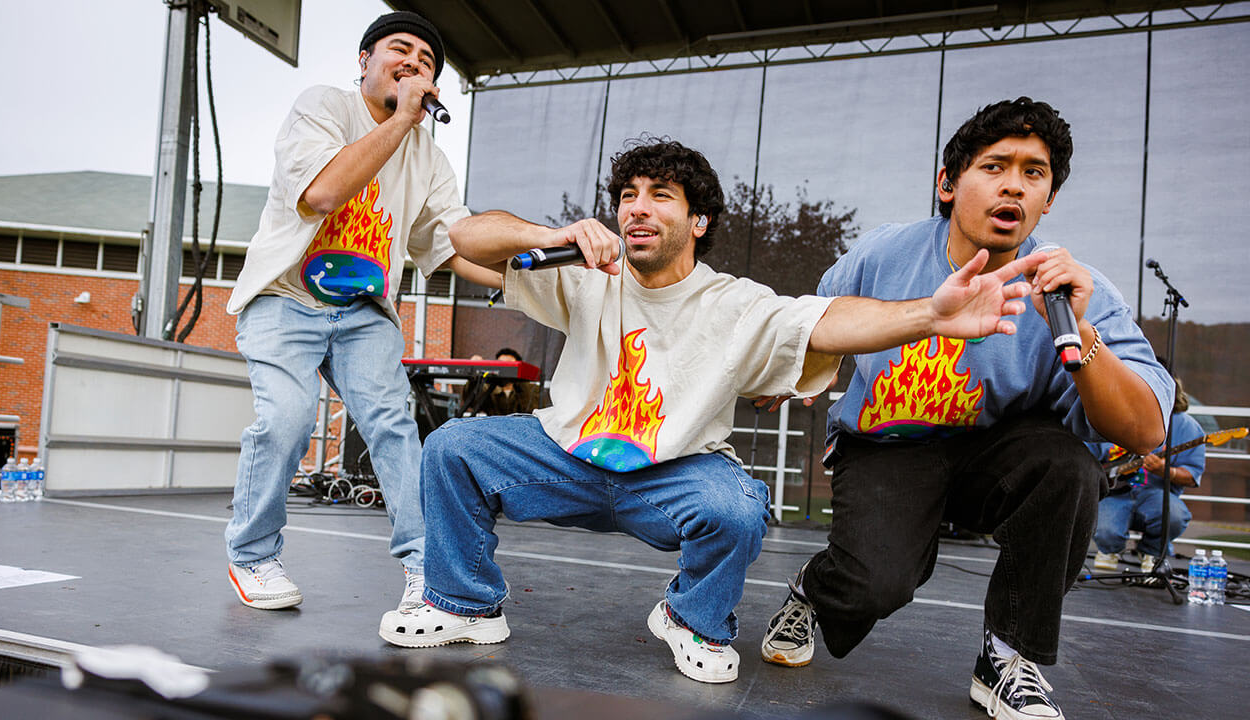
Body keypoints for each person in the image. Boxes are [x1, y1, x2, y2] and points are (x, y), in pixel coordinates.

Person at [377, 138, 1049, 684]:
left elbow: (830, 321)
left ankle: (691, 618)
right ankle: (466, 604)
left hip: (671, 476)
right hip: (566, 460)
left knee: (738, 505)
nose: (637, 209)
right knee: (453, 448)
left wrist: (930, 313)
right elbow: (466, 238)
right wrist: (551, 231)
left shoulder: (734, 302)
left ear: (697, 222)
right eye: (627, 196)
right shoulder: (582, 276)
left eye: (660, 196)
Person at [758, 97, 1173, 718]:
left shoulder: (1076, 290)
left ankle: (1008, 657)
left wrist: (1080, 334)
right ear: (948, 185)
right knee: (877, 584)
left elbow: (1143, 429)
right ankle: (813, 593)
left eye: (1034, 173)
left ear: (1048, 199)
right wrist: (790, 376)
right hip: (890, 445)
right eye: (995, 166)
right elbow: (812, 324)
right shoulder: (886, 254)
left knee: (1069, 467)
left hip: (997, 451)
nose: (1014, 185)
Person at [223, 11, 500, 612]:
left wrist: (530, 277)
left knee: (395, 428)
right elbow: (321, 193)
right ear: (365, 61)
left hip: (362, 310)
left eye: (426, 63)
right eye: (400, 51)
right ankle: (252, 556)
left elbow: (454, 245)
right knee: (288, 420)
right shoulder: (323, 107)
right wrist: (402, 118)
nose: (414, 65)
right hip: (285, 296)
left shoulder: (428, 157)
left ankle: (427, 565)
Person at [1091, 378, 1205, 573]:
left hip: (1155, 494)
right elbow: (1088, 455)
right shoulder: (1110, 416)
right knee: (1105, 531)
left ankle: (1151, 550)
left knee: (1175, 515)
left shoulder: (1187, 427)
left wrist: (1165, 470)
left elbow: (1192, 475)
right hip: (1114, 495)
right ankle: (1110, 548)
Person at [463, 347, 542, 416]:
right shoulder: (489, 389)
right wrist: (474, 375)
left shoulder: (530, 389)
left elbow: (532, 409)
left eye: (509, 364)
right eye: (501, 364)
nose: (505, 368)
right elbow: (471, 401)